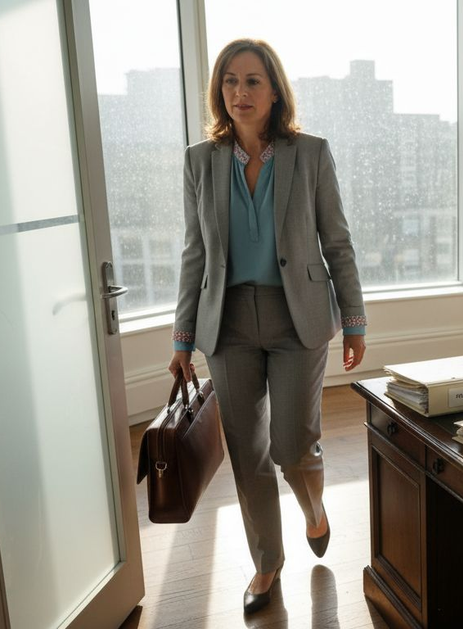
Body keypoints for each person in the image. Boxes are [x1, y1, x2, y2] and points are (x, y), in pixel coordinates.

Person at [167, 38, 366, 614]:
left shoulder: (310, 153)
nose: (239, 92)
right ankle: (266, 564)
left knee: (291, 445)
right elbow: (194, 254)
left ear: (274, 90)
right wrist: (183, 338)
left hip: (295, 318)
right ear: (218, 90)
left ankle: (314, 508)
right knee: (247, 451)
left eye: (252, 81)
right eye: (229, 81)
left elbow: (338, 243)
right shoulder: (199, 161)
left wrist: (353, 322)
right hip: (226, 323)